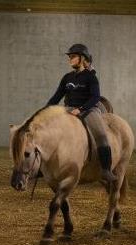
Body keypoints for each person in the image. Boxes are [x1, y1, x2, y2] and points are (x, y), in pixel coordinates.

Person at [46, 43, 116, 183]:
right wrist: (46, 110)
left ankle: (106, 170)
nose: (70, 59)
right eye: (70, 57)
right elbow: (57, 96)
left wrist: (81, 109)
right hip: (68, 109)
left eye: (73, 57)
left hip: (89, 109)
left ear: (82, 58)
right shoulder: (67, 78)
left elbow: (95, 97)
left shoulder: (91, 77)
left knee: (101, 135)